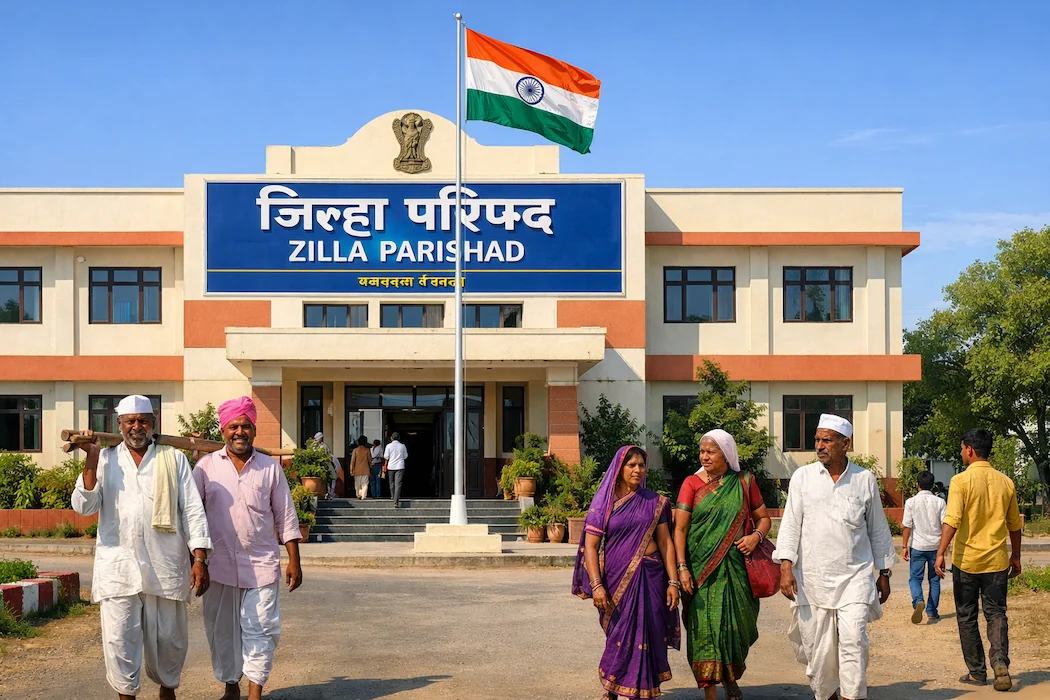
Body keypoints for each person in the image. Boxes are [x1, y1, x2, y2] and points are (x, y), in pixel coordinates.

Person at [71, 394, 212, 700]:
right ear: (119, 425)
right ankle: (126, 695)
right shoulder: (106, 459)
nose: (137, 427)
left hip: (165, 564)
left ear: (153, 424)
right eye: (130, 421)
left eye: (143, 421)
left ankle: (167, 690)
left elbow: (192, 509)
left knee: (170, 639)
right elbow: (85, 505)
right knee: (120, 639)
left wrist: (199, 558)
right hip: (118, 568)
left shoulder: (172, 458)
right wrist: (92, 457)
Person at [773, 414, 897, 700]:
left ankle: (852, 696)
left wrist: (885, 573)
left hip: (855, 577)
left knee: (854, 641)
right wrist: (785, 567)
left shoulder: (864, 480)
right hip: (811, 579)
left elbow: (877, 528)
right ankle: (826, 695)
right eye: (817, 440)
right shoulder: (803, 477)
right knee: (818, 651)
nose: (820, 446)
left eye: (826, 440)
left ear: (846, 444)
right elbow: (791, 523)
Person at [192, 396, 303, 700]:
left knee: (261, 628)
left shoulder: (270, 469)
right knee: (221, 631)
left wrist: (294, 560)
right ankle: (231, 685)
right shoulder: (205, 468)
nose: (239, 432)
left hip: (262, 565)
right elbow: (192, 515)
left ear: (254, 430)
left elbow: (286, 516)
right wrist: (197, 560)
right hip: (219, 566)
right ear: (223, 430)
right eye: (233, 426)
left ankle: (255, 691)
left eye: (245, 426)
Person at [572, 445, 681, 700]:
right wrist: (596, 584)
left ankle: (644, 689)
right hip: (615, 580)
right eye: (631, 465)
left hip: (651, 577)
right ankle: (612, 687)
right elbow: (591, 545)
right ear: (619, 469)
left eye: (641, 465)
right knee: (619, 635)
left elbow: (666, 543)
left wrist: (673, 581)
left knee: (649, 632)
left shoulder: (655, 502)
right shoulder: (604, 504)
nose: (637, 470)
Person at [674, 429, 770, 700]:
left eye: (710, 451)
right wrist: (682, 567)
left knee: (735, 627)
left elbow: (763, 517)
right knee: (704, 628)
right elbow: (680, 530)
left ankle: (730, 679)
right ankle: (711, 691)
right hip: (700, 570)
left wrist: (755, 537)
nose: (704, 456)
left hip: (737, 568)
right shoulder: (691, 484)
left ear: (726, 454)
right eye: (702, 451)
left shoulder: (744, 481)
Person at [935, 428, 1023, 692]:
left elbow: (952, 520)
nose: (962, 453)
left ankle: (976, 672)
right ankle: (999, 663)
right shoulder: (1005, 482)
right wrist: (1016, 555)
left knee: (967, 615)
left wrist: (940, 552)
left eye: (962, 449)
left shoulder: (961, 482)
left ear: (970, 450)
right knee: (996, 613)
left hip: (967, 563)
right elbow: (1015, 524)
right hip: (996, 562)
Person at [902, 470, 947, 623]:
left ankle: (918, 601)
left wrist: (904, 546)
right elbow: (944, 525)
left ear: (917, 485)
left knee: (915, 578)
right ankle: (932, 611)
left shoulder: (910, 502)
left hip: (918, 546)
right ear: (932, 485)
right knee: (934, 580)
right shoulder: (940, 502)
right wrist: (944, 550)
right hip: (936, 547)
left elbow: (907, 526)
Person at [312, 431, 340, 499]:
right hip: (323, 464)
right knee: (331, 478)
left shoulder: (322, 445)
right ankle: (329, 493)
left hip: (325, 464)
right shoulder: (316, 446)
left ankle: (330, 493)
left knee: (332, 478)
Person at [383, 431, 408, 508]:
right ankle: (396, 501)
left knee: (391, 483)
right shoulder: (402, 446)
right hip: (400, 466)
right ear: (399, 438)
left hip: (391, 466)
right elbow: (405, 456)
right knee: (398, 484)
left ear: (391, 438)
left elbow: (386, 456)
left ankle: (393, 496)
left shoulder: (388, 446)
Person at [348, 435, 372, 500]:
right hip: (366, 469)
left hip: (357, 470)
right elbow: (370, 460)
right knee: (365, 483)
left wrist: (351, 469)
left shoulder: (355, 450)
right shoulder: (367, 450)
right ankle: (363, 496)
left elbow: (352, 461)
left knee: (357, 483)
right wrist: (371, 466)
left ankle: (358, 494)